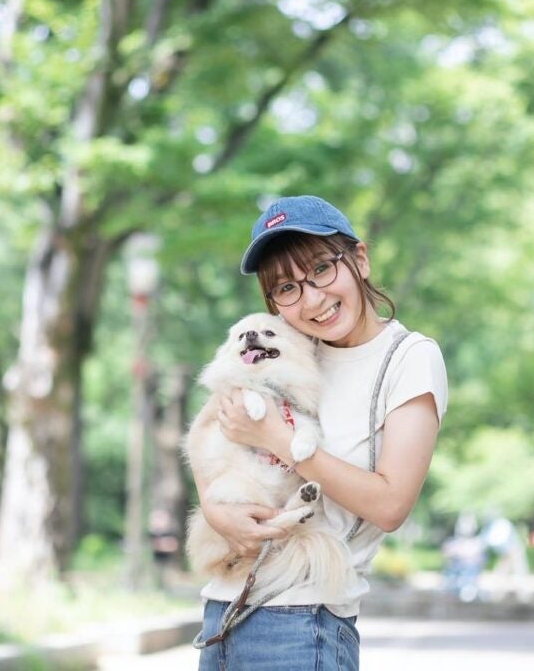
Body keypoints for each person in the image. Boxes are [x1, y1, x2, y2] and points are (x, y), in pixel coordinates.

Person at [192, 195, 448, 670]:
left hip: (304, 622)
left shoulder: (409, 359)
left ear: (360, 260)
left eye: (322, 269)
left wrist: (278, 439)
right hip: (220, 614)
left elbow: (391, 506)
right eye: (287, 288)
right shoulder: (279, 347)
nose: (312, 299)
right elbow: (209, 428)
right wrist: (214, 507)